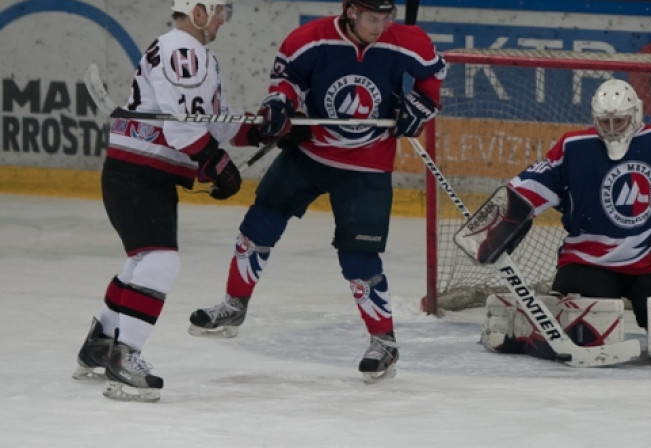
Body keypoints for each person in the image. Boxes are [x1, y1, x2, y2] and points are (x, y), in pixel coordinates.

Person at [187, 0, 446, 383]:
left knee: (359, 260)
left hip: (366, 164)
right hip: (308, 153)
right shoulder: (308, 39)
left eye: (387, 18)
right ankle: (234, 305)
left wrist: (421, 106)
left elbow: (433, 76)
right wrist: (280, 105)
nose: (381, 26)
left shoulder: (408, 41)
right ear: (351, 13)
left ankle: (384, 342)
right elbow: (286, 81)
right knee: (258, 227)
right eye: (373, 18)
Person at [473, 78, 651, 360]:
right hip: (587, 261)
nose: (613, 129)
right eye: (606, 122)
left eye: (621, 121)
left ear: (636, 114)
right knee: (588, 333)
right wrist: (496, 222)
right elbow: (531, 186)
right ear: (595, 118)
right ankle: (522, 320)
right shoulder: (574, 147)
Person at [72, 0, 260, 402]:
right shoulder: (183, 50)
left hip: (141, 173)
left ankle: (101, 344)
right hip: (137, 173)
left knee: (141, 262)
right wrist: (214, 162)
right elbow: (182, 130)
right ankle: (124, 361)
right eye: (219, 11)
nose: (223, 20)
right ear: (197, 12)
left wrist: (263, 130)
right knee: (160, 261)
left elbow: (213, 122)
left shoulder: (190, 52)